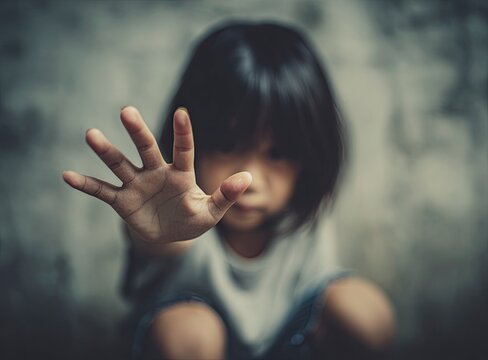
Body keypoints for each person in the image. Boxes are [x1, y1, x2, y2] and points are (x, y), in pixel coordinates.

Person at [63, 21, 395, 360]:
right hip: (188, 346)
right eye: (227, 145)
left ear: (309, 157)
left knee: (364, 313)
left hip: (289, 344)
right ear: (196, 138)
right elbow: (163, 239)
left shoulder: (303, 212)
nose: (248, 179)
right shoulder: (178, 219)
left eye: (277, 154)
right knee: (191, 334)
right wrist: (154, 230)